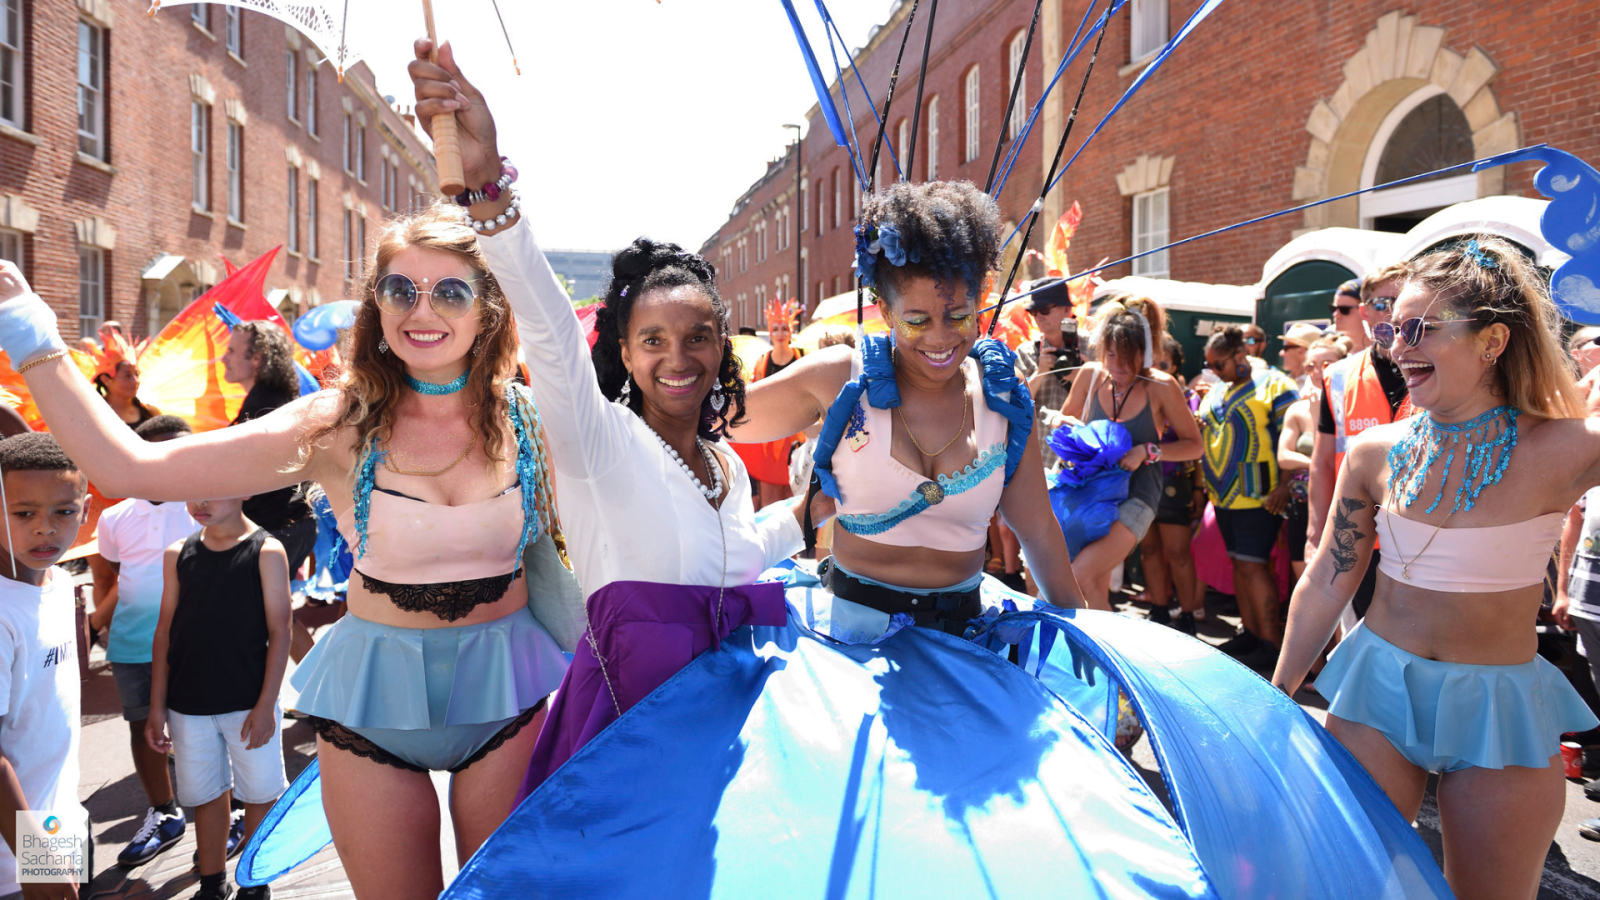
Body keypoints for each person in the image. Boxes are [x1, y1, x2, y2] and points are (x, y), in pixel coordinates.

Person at [0, 206, 570, 899]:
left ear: (488, 307)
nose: (423, 311)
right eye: (400, 290)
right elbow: (130, 470)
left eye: (451, 291)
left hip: (508, 701)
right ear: (376, 307)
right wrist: (30, 332)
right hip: (373, 720)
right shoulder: (335, 424)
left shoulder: (530, 419)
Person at [1275, 236, 1600, 900]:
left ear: (1493, 342)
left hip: (1500, 707)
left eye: (1420, 329)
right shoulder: (1374, 453)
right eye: (1393, 328)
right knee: (1350, 883)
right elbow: (1328, 579)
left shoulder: (1565, 448)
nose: (1396, 347)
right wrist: (1275, 695)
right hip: (1377, 693)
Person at [146, 492, 289, 900]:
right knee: (206, 795)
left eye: (213, 489)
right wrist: (157, 706)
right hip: (187, 704)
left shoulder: (267, 549)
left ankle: (255, 882)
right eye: (191, 490)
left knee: (260, 794)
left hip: (249, 700)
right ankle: (212, 883)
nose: (199, 501)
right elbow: (164, 632)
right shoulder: (178, 552)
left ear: (242, 487)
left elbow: (281, 630)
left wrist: (266, 706)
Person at [88, 416, 212, 870]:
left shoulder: (206, 509)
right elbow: (108, 577)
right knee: (144, 729)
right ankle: (164, 812)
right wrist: (102, 624)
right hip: (133, 648)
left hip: (196, 645)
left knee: (205, 730)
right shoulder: (115, 517)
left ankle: (228, 812)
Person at [1056, 297, 1202, 610]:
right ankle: (1090, 658)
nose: (1118, 367)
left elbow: (1195, 445)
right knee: (1090, 585)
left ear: (1145, 354)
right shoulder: (1091, 375)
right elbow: (1066, 425)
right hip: (1090, 492)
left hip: (1138, 495)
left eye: (1128, 360)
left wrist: (1147, 450)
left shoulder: (1161, 386)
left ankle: (1105, 657)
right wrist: (1068, 435)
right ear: (1101, 348)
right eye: (1111, 356)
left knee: (1079, 576)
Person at [0, 434, 88, 900]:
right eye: (24, 513)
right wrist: (39, 865)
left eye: (64, 512)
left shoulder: (61, 579)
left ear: (86, 510)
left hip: (60, 826)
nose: (45, 529)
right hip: (16, 864)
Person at [1308, 263, 1410, 621]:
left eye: (1403, 301)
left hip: (1422, 541)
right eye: (1383, 303)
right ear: (1365, 311)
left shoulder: (1439, 367)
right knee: (1362, 645)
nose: (1395, 312)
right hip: (1358, 540)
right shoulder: (1337, 376)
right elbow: (1321, 462)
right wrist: (1316, 532)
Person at [1198, 324, 1298, 671]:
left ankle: (1271, 643)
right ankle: (1252, 633)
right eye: (1209, 365)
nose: (1214, 371)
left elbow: (1293, 436)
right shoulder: (1219, 389)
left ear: (1240, 355)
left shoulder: (1276, 386)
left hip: (1260, 494)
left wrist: (1285, 484)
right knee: (1239, 564)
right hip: (1223, 495)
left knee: (1255, 566)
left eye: (1219, 364)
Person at [221, 322, 317, 586]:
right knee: (272, 615)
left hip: (276, 529)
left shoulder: (263, 406)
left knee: (258, 618)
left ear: (257, 359)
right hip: (290, 526)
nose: (223, 358)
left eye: (231, 351)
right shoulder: (274, 399)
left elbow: (247, 476)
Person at [1136, 335, 1206, 634]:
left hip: (1174, 480)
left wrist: (1200, 488)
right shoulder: (1138, 390)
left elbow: (1197, 447)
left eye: (1165, 362)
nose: (1157, 367)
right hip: (1142, 477)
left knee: (1177, 551)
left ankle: (1188, 613)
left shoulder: (1187, 397)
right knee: (1149, 549)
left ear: (1176, 365)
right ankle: (1160, 607)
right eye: (1154, 361)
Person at [1279, 339, 1348, 583]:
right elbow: (1284, 457)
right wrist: (1318, 466)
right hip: (1304, 503)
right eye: (1311, 366)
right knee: (1307, 579)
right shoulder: (1298, 409)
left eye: (1327, 364)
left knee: (1342, 583)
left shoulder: (1354, 405)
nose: (1319, 371)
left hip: (1345, 503)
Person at [731, 297, 805, 509]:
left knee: (795, 493)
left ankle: (798, 540)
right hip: (771, 436)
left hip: (796, 433)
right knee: (770, 497)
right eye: (775, 329)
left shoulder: (803, 357)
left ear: (790, 331)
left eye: (784, 329)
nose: (780, 334)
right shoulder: (762, 362)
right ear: (770, 332)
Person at [1013, 277, 1080, 470]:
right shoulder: (1025, 352)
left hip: (1082, 460)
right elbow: (1015, 404)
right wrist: (1040, 372)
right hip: (1040, 462)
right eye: (1034, 312)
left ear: (1067, 310)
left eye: (1044, 311)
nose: (1038, 317)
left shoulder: (1091, 347)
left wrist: (1086, 374)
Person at [91, 331, 159, 428]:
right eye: (127, 376)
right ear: (106, 380)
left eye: (137, 374)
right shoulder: (91, 413)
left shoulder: (151, 413)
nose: (135, 381)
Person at [1277, 322, 1323, 393]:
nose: (1281, 353)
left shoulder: (1318, 384)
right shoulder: (1281, 381)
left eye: (1286, 348)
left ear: (1301, 351)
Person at [1329, 279, 1371, 354]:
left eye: (1344, 310)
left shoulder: (1382, 351)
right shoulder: (1330, 348)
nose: (1335, 314)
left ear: (1364, 311)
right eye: (1334, 308)